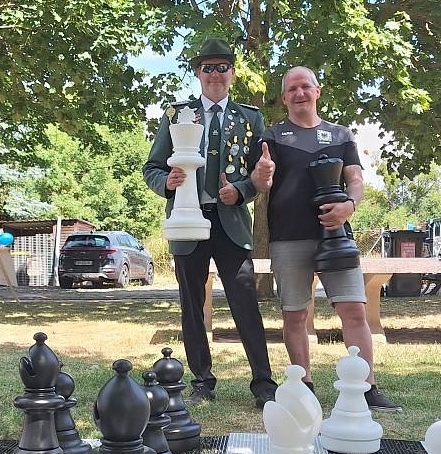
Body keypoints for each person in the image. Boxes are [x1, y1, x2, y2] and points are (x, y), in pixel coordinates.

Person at [251, 66, 399, 409]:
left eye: (305, 86)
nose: (299, 93)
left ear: (317, 92)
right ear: (284, 97)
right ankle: (304, 385)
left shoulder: (340, 135)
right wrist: (262, 174)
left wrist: (349, 206)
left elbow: (356, 181)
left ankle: (366, 387)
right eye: (292, 89)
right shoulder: (273, 136)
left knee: (354, 310)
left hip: (336, 236)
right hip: (288, 237)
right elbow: (262, 184)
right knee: (295, 314)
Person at [143, 37, 277, 408]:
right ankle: (202, 380)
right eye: (208, 68)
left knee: (244, 300)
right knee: (192, 304)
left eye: (222, 67)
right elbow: (152, 167)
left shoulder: (249, 118)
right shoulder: (176, 114)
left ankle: (263, 383)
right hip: (188, 221)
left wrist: (242, 190)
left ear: (232, 73)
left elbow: (259, 171)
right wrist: (167, 182)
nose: (215, 74)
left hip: (230, 222)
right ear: (198, 73)